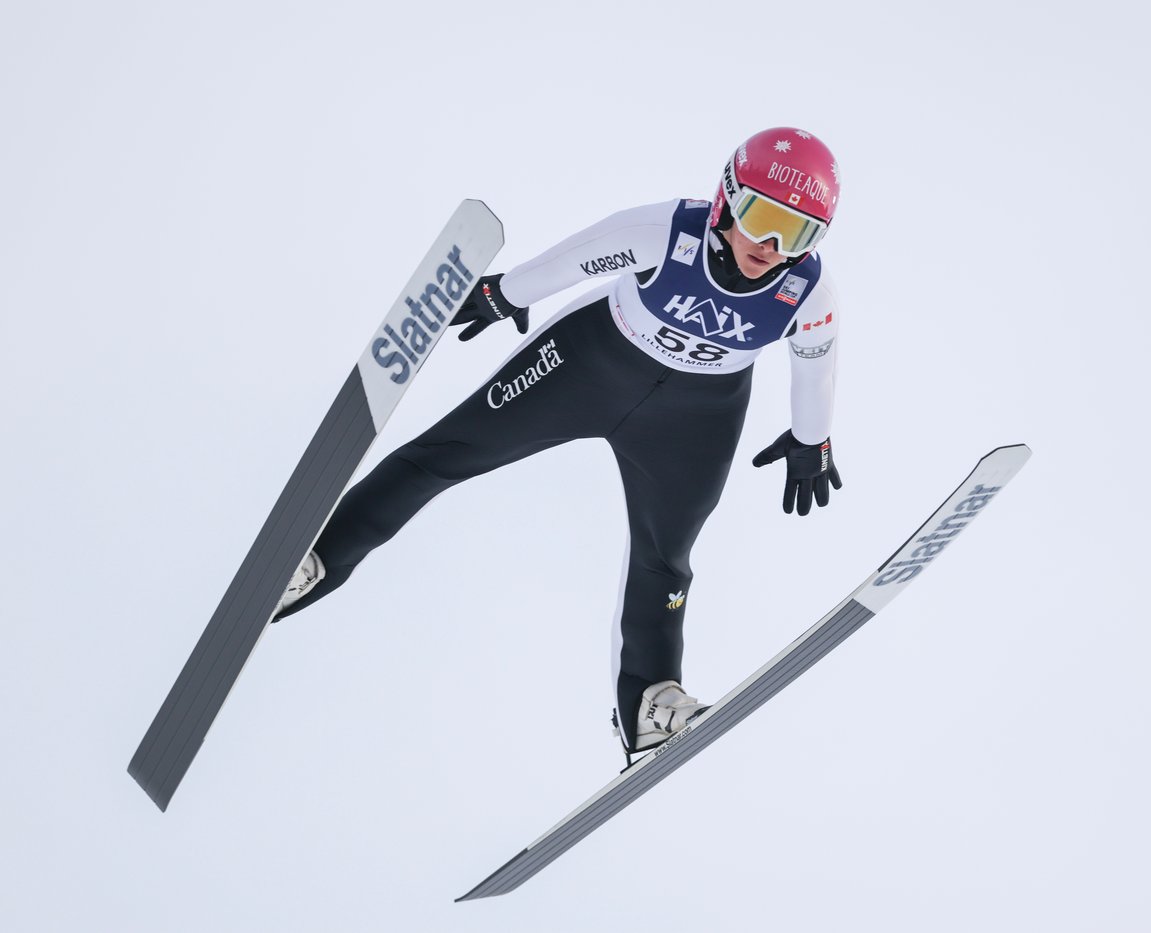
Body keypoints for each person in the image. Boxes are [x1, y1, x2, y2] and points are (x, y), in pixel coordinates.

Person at [277, 126, 845, 755]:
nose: (769, 245)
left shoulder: (808, 291)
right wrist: (503, 294)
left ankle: (650, 703)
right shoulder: (665, 232)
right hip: (588, 365)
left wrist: (809, 439)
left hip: (695, 420)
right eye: (762, 217)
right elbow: (579, 257)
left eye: (795, 233)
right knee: (447, 455)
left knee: (666, 556)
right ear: (728, 198)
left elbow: (815, 360)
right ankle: (312, 560)